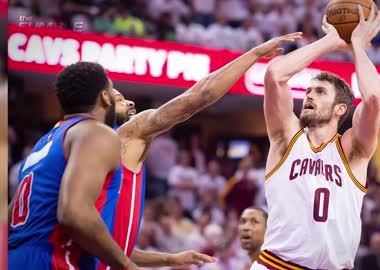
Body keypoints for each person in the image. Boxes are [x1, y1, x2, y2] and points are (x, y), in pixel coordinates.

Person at [96, 32, 303, 269]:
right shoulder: (127, 134)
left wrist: (169, 259)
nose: (130, 102)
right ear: (102, 101)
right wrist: (255, 53)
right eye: (120, 99)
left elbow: (113, 248)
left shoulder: (76, 147)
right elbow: (201, 95)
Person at [252, 5, 380, 270]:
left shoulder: (352, 150)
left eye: (320, 92)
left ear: (340, 109)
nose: (309, 95)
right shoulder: (287, 138)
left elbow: (372, 99)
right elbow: (275, 75)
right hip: (277, 265)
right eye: (309, 90)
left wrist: (357, 44)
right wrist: (331, 41)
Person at [8, 62, 139, 270]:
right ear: (105, 97)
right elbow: (74, 214)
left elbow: (9, 217)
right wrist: (127, 265)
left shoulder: (44, 143)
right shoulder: (96, 132)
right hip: (55, 258)